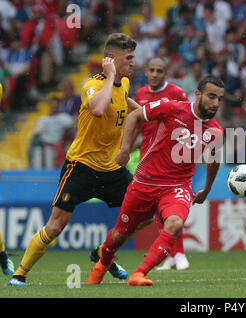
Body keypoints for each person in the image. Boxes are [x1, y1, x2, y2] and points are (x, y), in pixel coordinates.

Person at [8, 33, 142, 287]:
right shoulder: (92, 84)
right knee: (56, 226)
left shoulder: (123, 84)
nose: (134, 62)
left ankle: (103, 253)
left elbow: (125, 101)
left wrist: (149, 113)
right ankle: (20, 273)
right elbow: (99, 109)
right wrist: (111, 75)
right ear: (111, 60)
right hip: (81, 167)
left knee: (144, 212)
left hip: (112, 168)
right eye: (129, 58)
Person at [87, 76, 224, 286]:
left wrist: (206, 188)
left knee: (175, 223)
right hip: (145, 182)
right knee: (119, 236)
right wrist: (124, 150)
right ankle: (102, 263)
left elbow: (214, 160)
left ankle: (139, 274)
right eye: (211, 96)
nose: (215, 103)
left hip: (178, 187)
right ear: (198, 94)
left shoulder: (216, 131)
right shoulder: (171, 108)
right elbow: (134, 116)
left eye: (219, 99)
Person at [133, 57, 191, 271]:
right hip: (147, 157)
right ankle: (172, 254)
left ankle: (180, 253)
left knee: (171, 207)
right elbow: (139, 123)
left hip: (170, 158)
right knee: (158, 209)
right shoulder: (140, 94)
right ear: (146, 72)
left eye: (159, 70)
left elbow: (187, 123)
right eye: (152, 70)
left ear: (166, 73)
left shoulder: (177, 94)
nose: (155, 74)